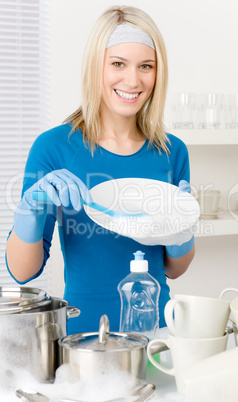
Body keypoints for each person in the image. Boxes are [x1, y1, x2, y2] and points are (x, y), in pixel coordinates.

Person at [5, 5, 195, 334]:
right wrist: (29, 212)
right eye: (118, 63)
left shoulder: (171, 151)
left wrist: (182, 235)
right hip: (85, 337)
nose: (133, 80)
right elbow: (23, 273)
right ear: (97, 67)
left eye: (146, 66)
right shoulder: (54, 148)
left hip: (158, 334)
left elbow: (174, 269)